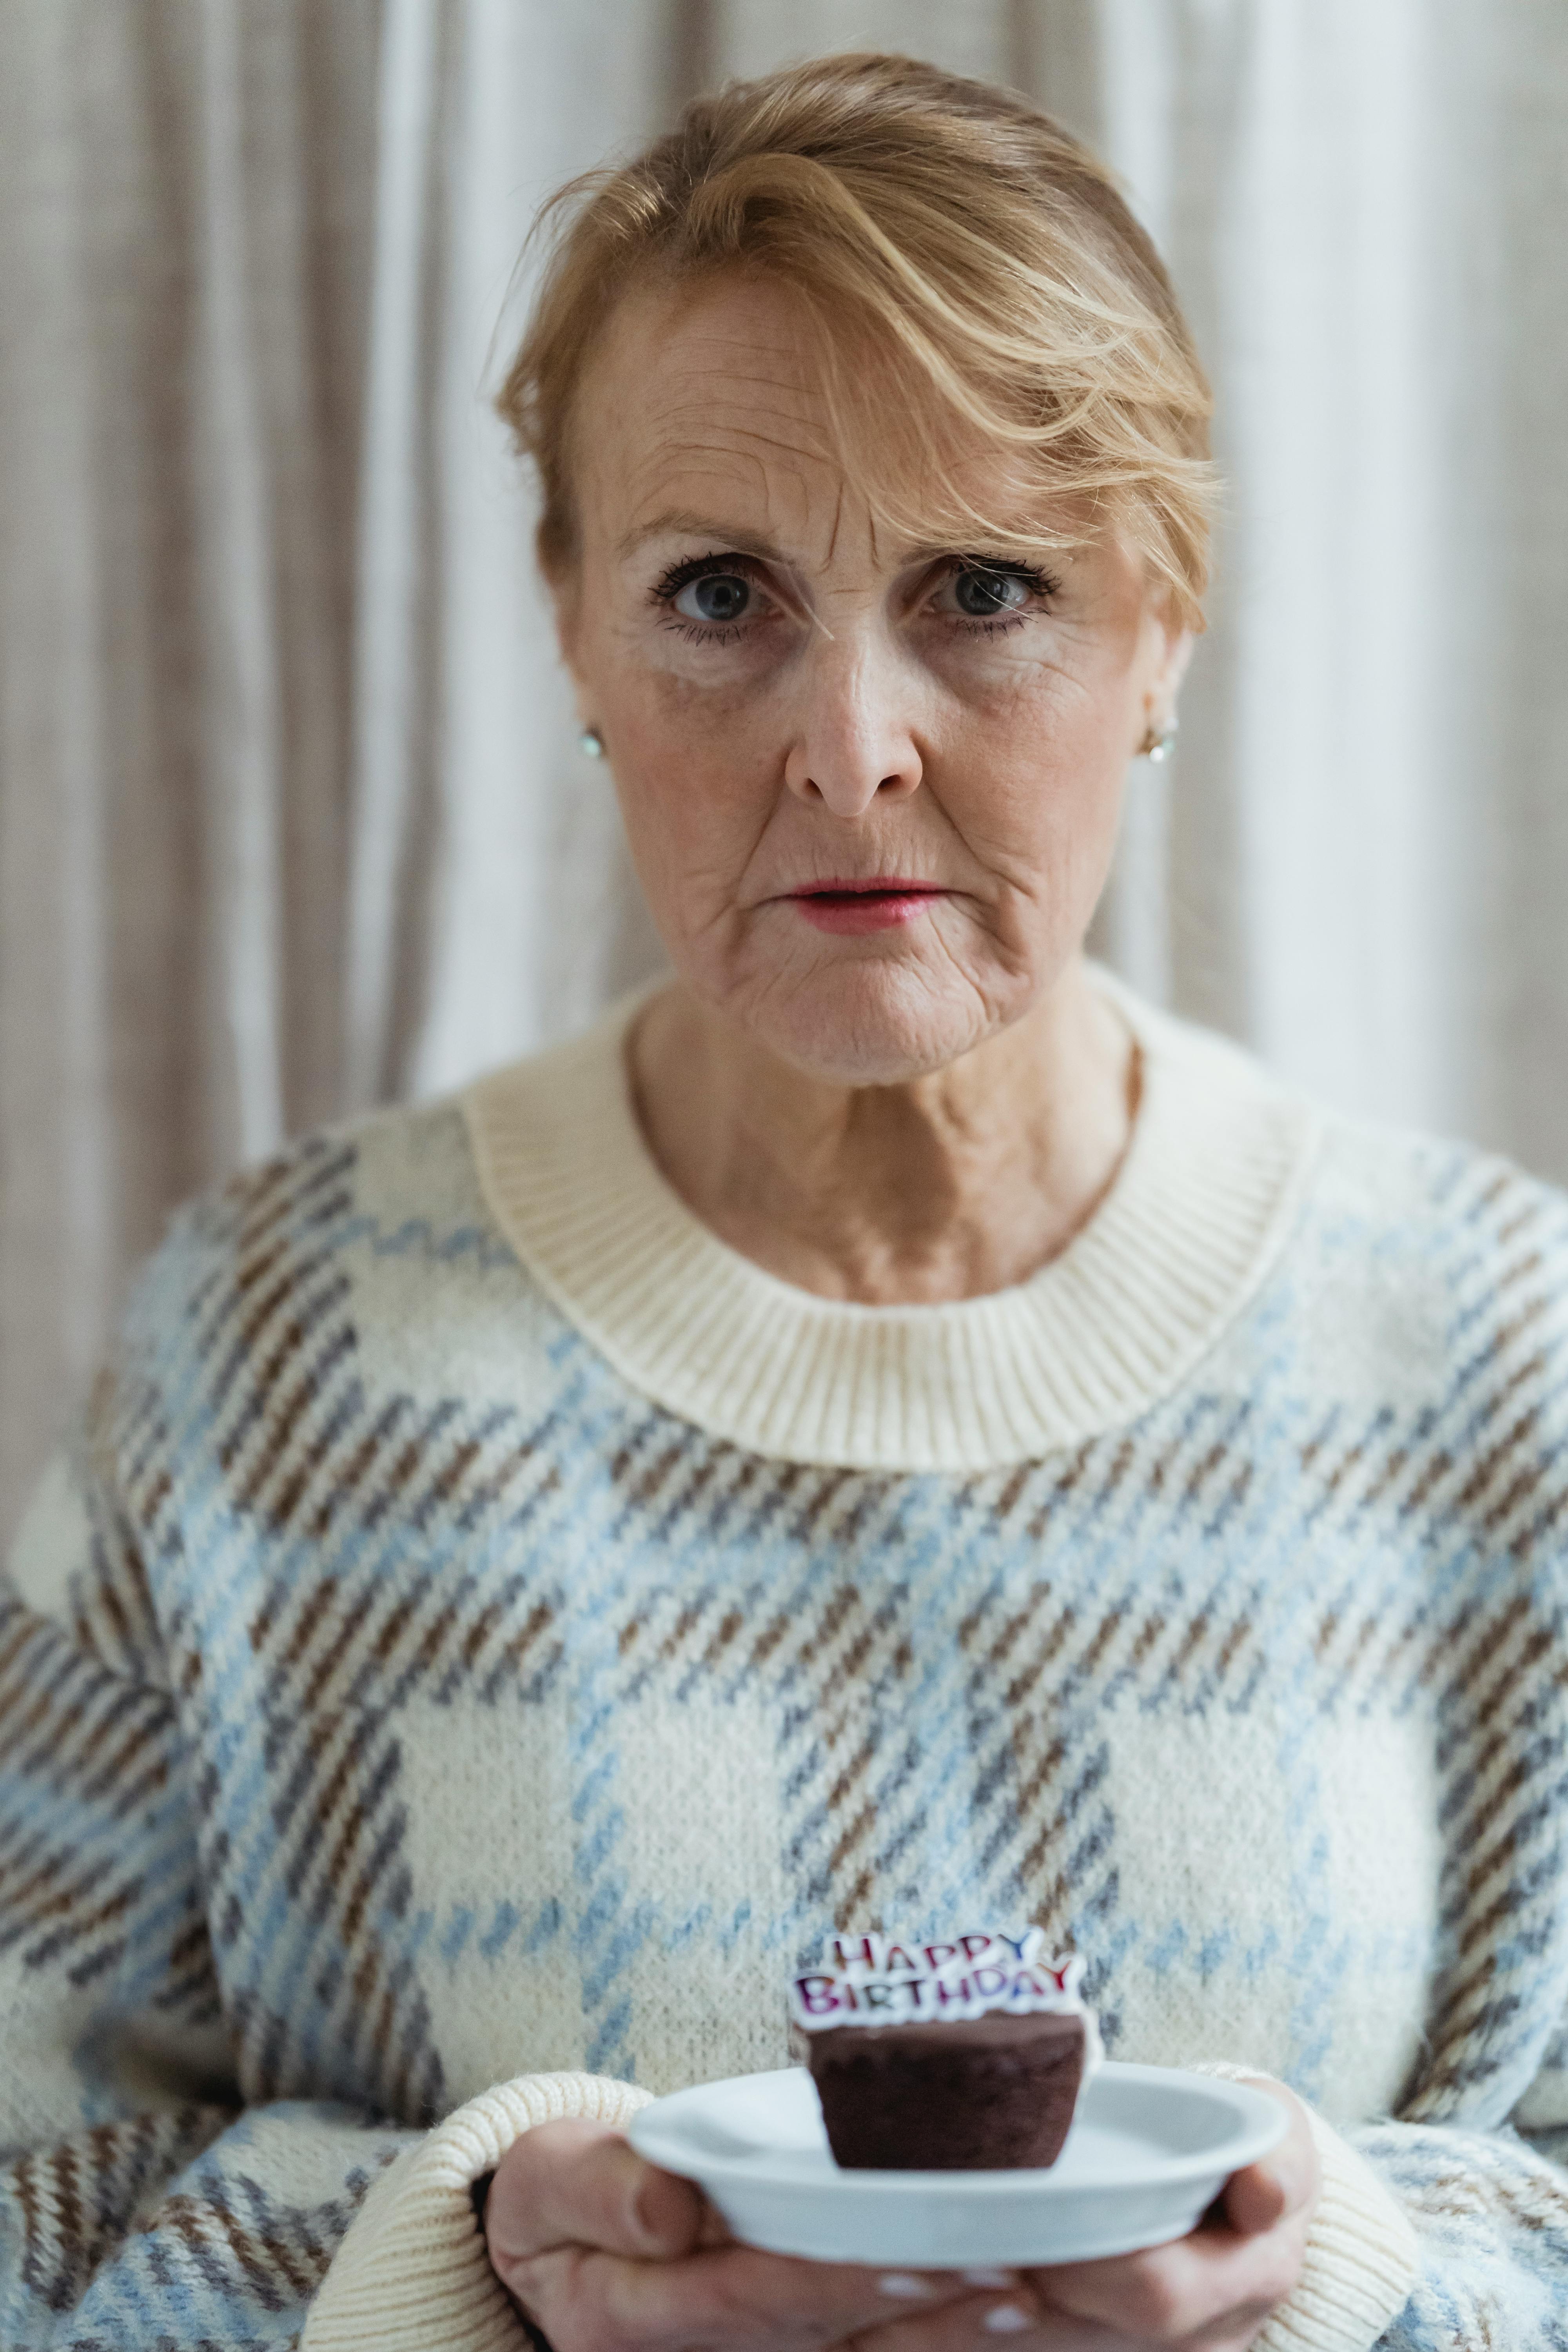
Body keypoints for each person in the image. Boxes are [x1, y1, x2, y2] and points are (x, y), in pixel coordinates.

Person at [2, 47, 1565, 2352]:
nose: (851, 743)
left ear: (1164, 630)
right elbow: (33, 2197)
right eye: (720, 591)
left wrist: (1340, 2265)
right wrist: (468, 2266)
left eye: (986, 587)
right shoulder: (270, 1354)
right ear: (570, 632)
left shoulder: (1491, 1351)